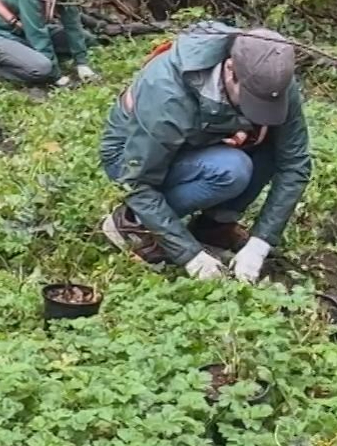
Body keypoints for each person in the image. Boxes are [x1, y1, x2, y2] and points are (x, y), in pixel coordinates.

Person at [100, 24, 309, 282]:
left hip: (199, 142)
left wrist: (260, 244)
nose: (259, 109)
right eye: (252, 101)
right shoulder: (168, 92)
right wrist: (190, 255)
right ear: (231, 69)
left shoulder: (272, 79)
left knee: (270, 148)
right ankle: (131, 222)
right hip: (130, 156)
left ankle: (214, 228)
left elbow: (294, 164)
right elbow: (138, 182)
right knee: (231, 170)